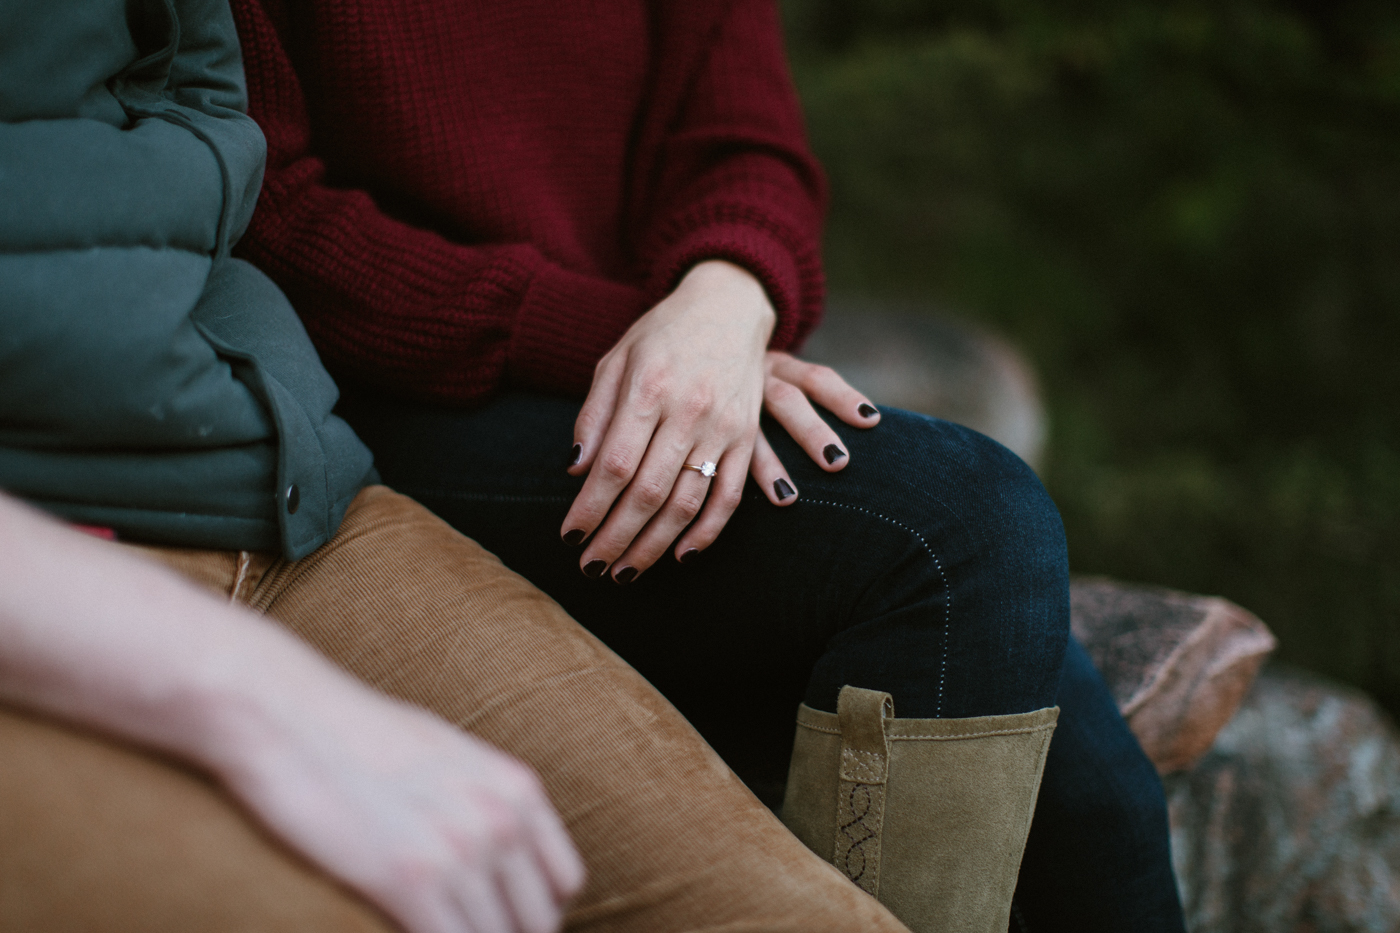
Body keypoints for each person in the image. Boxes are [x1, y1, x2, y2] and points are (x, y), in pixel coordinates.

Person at [226, 0, 1185, 930]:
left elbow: (746, 144)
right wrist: (651, 350)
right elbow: (267, 208)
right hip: (373, 408)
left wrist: (726, 299)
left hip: (650, 374)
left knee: (1104, 804)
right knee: (956, 526)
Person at [0, 1, 924, 930]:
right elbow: (283, 201)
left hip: (282, 474)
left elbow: (212, 128)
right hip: (72, 538)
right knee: (931, 519)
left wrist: (721, 304)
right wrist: (631, 347)